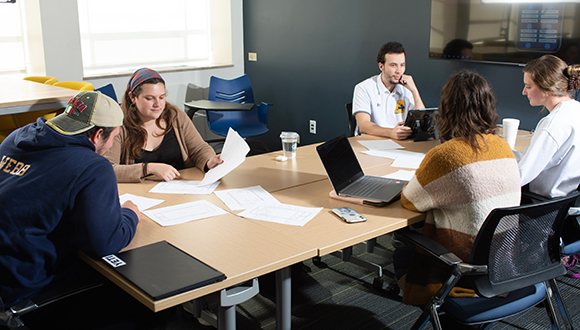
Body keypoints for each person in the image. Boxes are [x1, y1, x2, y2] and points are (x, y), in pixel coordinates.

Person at [0, 90, 140, 309]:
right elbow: (105, 243)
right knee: (135, 297)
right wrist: (130, 213)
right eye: (114, 138)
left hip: (7, 264)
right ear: (98, 135)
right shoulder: (93, 166)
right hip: (22, 284)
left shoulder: (16, 138)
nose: (112, 145)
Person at [393, 70, 521, 306]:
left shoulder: (446, 156)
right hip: (503, 265)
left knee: (402, 253)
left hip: (463, 271)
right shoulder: (503, 148)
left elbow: (410, 201)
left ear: (447, 110)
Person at [104, 68, 222, 183]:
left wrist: (209, 161)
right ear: (132, 97)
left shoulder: (175, 115)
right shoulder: (118, 124)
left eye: (162, 97)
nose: (158, 104)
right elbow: (107, 169)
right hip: (140, 193)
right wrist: (147, 168)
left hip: (180, 187)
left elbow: (199, 149)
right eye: (150, 98)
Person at [516, 54, 580, 198]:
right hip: (565, 202)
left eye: (528, 86)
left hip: (541, 207)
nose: (524, 92)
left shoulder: (553, 124)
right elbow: (532, 157)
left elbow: (520, 176)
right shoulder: (575, 110)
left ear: (547, 87)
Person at [352, 41, 425, 139]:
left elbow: (422, 121)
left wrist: (415, 91)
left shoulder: (407, 87)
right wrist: (391, 133)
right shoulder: (364, 88)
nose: (399, 71)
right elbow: (363, 125)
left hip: (400, 143)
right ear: (381, 66)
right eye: (393, 65)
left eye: (402, 65)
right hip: (371, 143)